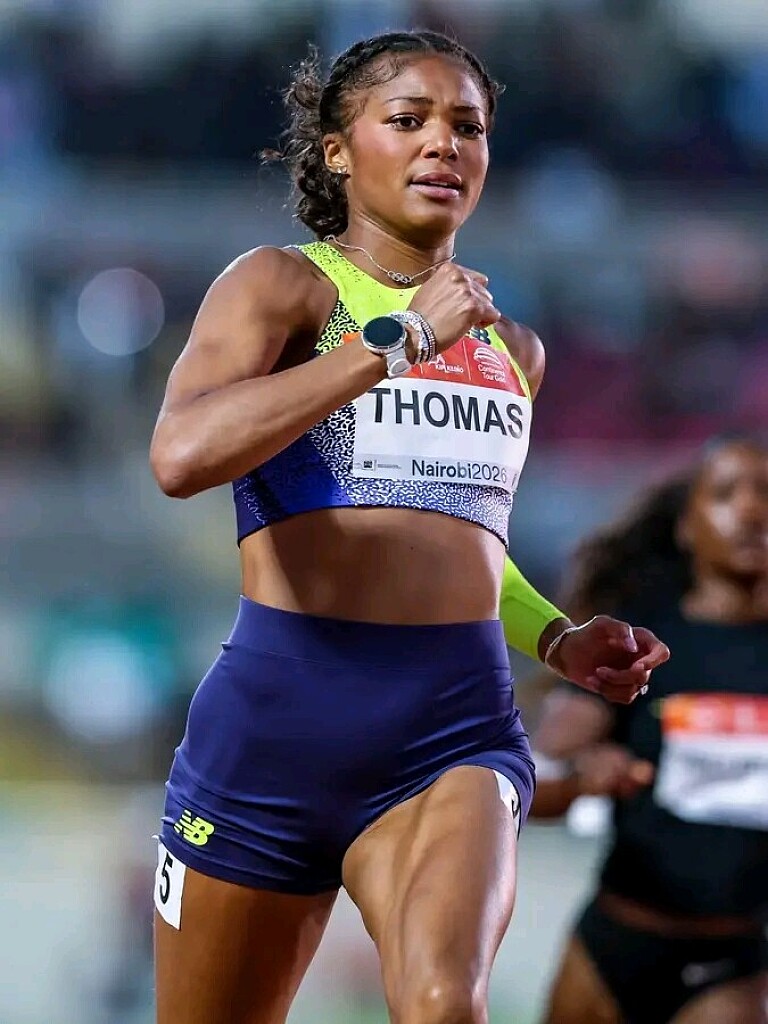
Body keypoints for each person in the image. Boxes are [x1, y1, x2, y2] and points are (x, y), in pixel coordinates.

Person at [148, 30, 669, 1024]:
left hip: (451, 729)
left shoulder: (514, 350)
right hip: (274, 730)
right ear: (339, 151)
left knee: (443, 1004)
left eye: (467, 126)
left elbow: (464, 545)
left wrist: (558, 637)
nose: (443, 143)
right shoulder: (283, 287)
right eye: (408, 120)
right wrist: (397, 341)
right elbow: (181, 456)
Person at [529, 435, 768, 1024]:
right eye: (726, 495)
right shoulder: (642, 644)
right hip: (612, 945)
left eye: (767, 495)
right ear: (685, 528)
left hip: (733, 960)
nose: (751, 511)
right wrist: (584, 778)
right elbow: (530, 786)